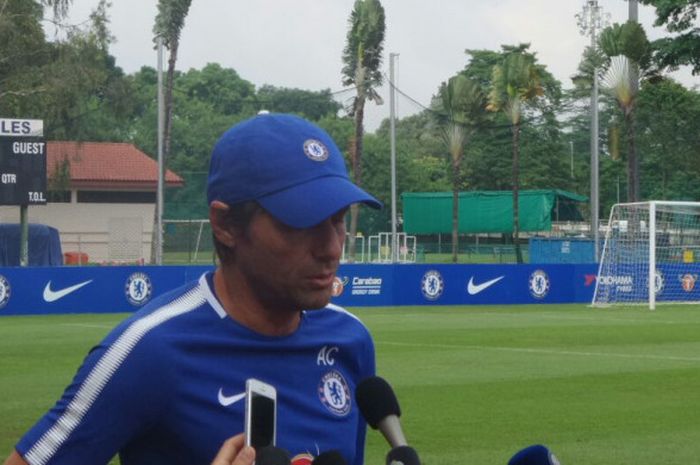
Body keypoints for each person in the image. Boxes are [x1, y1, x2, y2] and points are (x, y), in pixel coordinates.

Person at [4, 113, 381, 465]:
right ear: (225, 225)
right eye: (301, 223)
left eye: (338, 220)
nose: (331, 248)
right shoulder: (150, 352)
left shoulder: (352, 340)